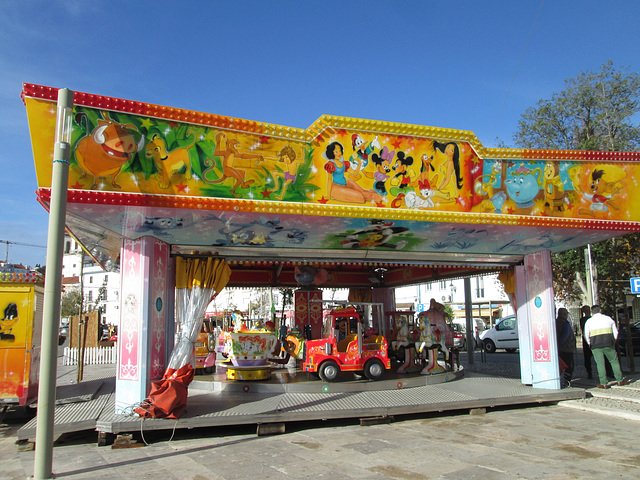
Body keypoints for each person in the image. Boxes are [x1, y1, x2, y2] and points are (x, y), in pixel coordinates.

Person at [583, 305, 630, 389]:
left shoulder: (589, 321)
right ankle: (620, 380)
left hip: (596, 345)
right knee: (614, 362)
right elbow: (615, 332)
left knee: (600, 364)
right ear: (600, 310)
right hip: (608, 344)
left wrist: (590, 343)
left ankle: (603, 383)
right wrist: (613, 342)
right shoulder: (609, 319)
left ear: (592, 312)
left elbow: (586, 335)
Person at [556, 308, 576, 387]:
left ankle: (561, 380)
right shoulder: (565, 324)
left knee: (560, 366)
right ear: (565, 314)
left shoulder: (555, 322)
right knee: (569, 366)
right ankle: (566, 381)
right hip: (566, 349)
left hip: (559, 350)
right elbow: (565, 336)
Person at [579, 305, 593, 379]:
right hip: (586, 339)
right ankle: (589, 372)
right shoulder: (582, 320)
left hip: (593, 338)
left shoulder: (592, 319)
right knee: (587, 358)